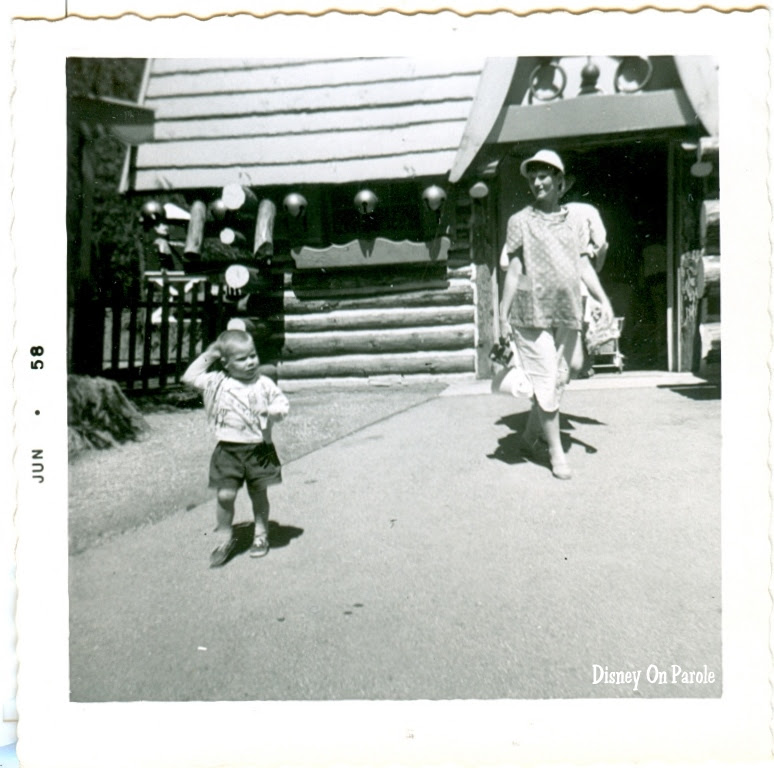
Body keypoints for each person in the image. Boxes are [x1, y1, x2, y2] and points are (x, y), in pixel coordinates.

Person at [498, 149, 613, 480]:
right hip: (531, 311)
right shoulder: (519, 221)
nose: (537, 182)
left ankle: (527, 437)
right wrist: (503, 315)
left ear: (559, 180)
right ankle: (555, 452)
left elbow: (583, 264)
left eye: (544, 176)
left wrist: (603, 300)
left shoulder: (574, 221)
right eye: (532, 177)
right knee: (548, 379)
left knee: (569, 369)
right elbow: (514, 269)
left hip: (567, 308)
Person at [182, 329, 290, 566]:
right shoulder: (217, 382)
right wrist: (211, 354)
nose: (250, 362)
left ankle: (260, 535)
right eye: (242, 359)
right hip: (228, 450)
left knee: (258, 494)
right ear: (226, 363)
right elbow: (189, 377)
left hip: (258, 450)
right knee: (225, 495)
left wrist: (270, 411)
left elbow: (282, 405)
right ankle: (225, 537)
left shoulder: (263, 384)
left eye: (253, 355)